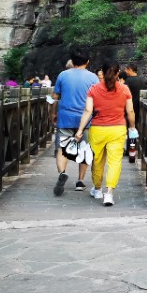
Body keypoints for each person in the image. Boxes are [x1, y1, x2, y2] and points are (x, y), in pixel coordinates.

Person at [74, 62, 136, 206]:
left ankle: (97, 189)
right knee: (115, 162)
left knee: (97, 161)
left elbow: (88, 111)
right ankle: (109, 194)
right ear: (118, 72)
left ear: (102, 71)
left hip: (98, 130)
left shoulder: (93, 89)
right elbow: (130, 111)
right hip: (118, 129)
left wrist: (80, 130)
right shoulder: (125, 89)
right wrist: (132, 128)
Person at [52, 50, 99, 196]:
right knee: (84, 149)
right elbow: (97, 100)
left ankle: (62, 173)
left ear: (72, 61)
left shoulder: (62, 75)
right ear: (88, 62)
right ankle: (80, 181)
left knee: (62, 148)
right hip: (85, 120)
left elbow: (55, 97)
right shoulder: (93, 78)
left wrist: (53, 113)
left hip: (65, 117)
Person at [123, 63, 146, 154]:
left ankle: (130, 149)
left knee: (130, 128)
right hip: (141, 109)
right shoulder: (142, 80)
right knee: (136, 128)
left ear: (130, 69)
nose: (125, 72)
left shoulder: (128, 81)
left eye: (126, 70)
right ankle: (137, 149)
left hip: (130, 109)